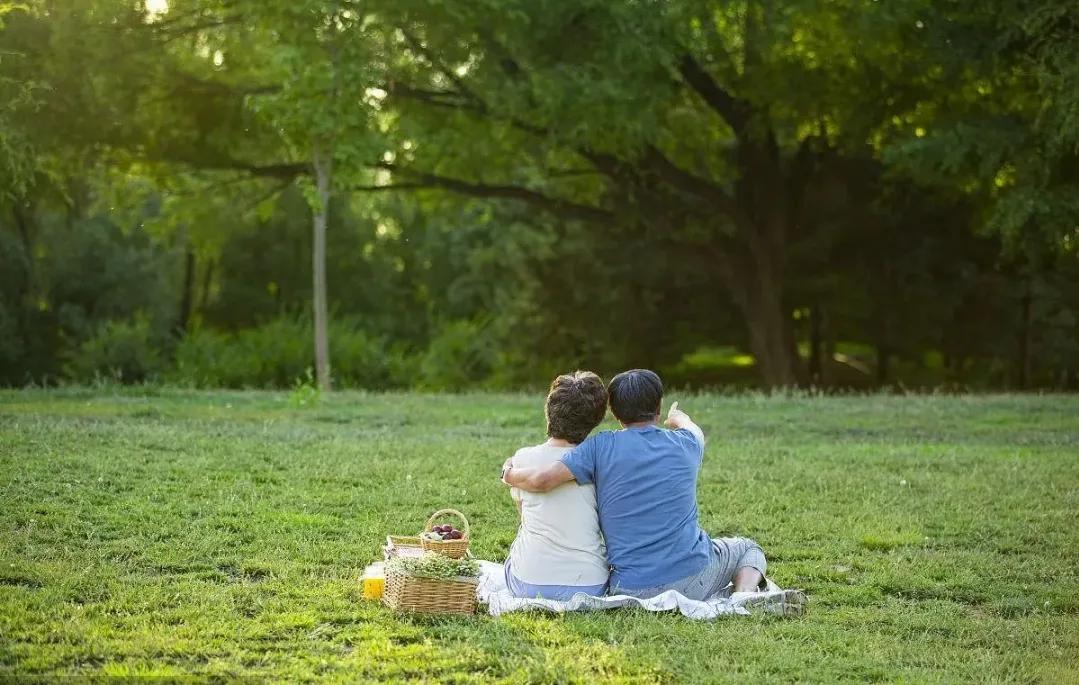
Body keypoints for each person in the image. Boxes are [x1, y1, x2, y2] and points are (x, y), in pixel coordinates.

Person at [502, 369, 806, 614]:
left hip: (630, 587)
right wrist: (679, 419)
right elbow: (693, 428)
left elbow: (544, 479)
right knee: (745, 547)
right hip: (695, 577)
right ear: (658, 408)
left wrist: (510, 472)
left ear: (615, 413)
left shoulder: (598, 447)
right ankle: (742, 598)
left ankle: (742, 599)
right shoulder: (688, 443)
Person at [502, 371, 611, 600]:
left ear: (549, 410)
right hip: (590, 585)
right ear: (596, 418)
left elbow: (524, 515)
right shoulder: (600, 461)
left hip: (528, 584)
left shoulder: (522, 459)